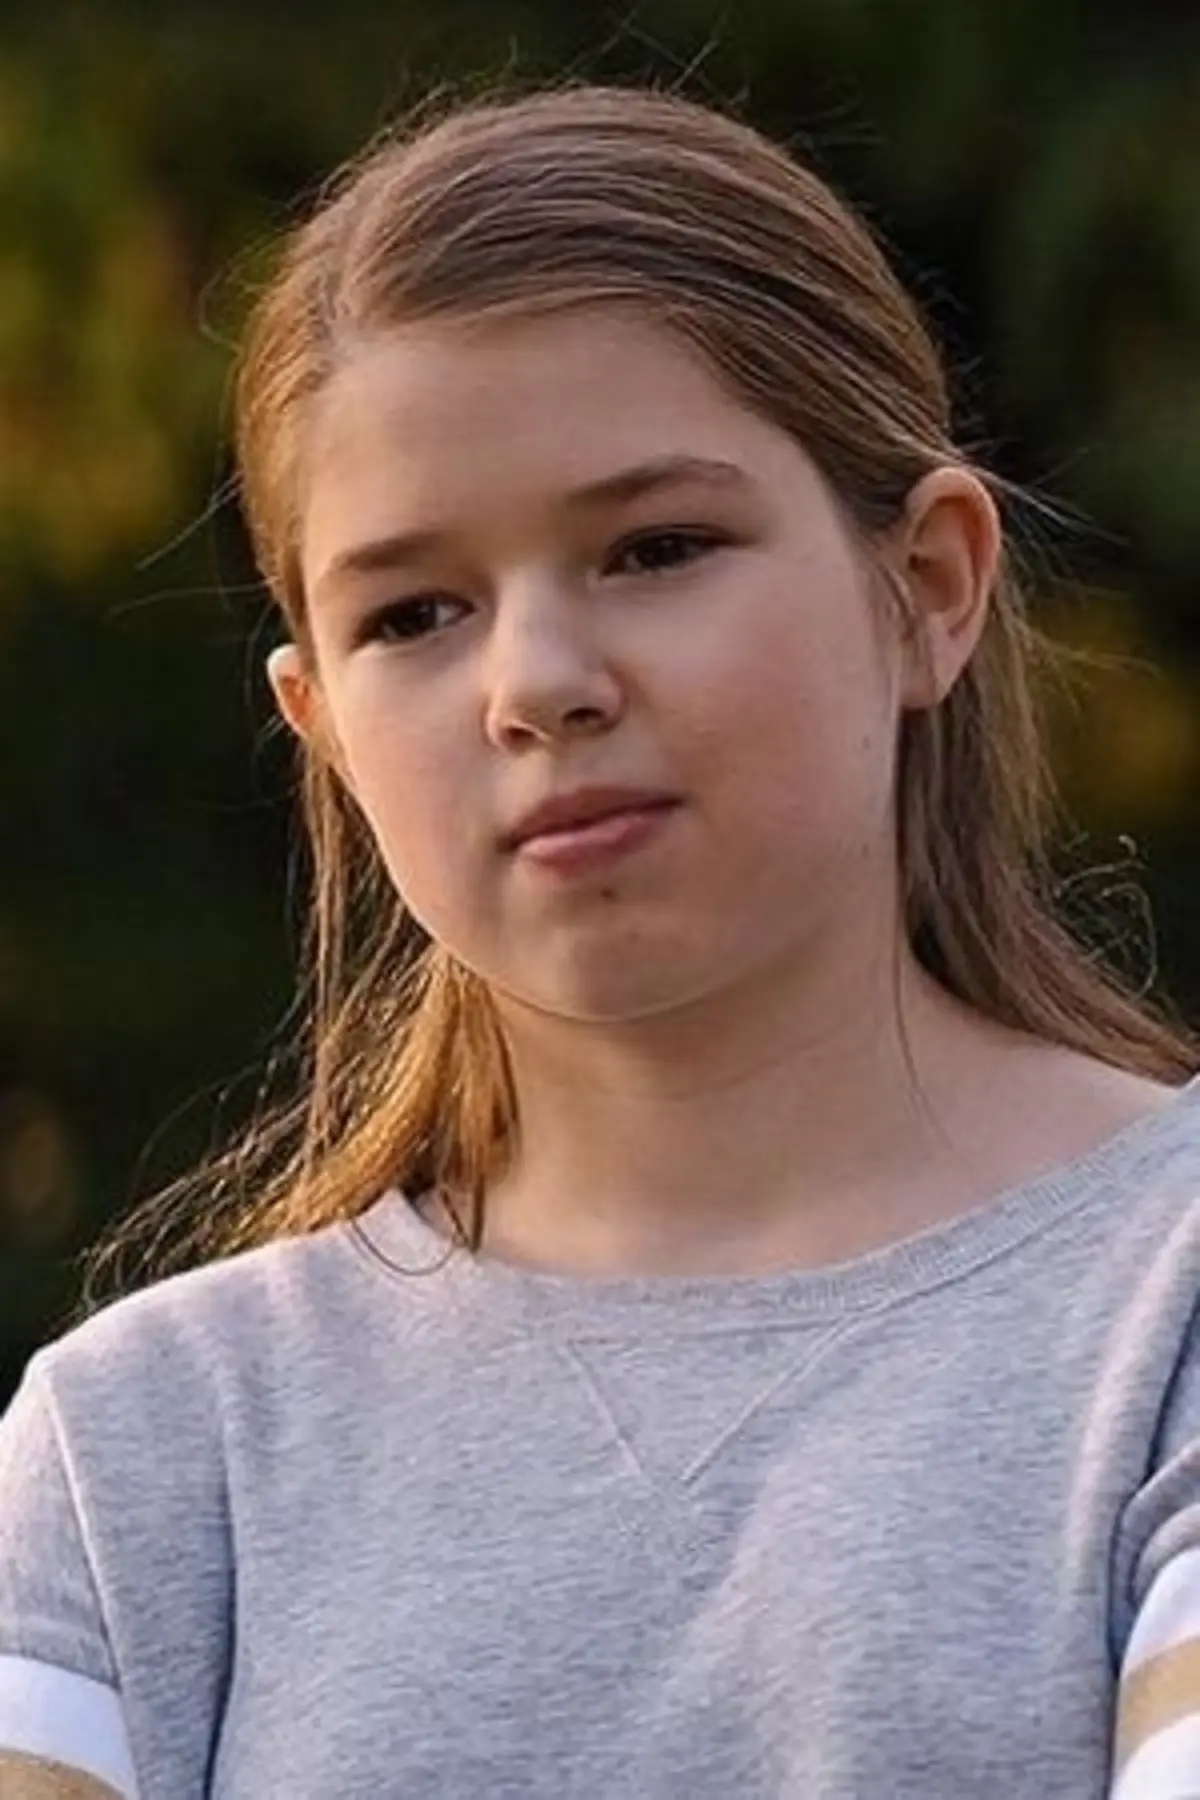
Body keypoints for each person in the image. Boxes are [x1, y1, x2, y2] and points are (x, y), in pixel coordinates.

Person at [0, 79, 1197, 1800]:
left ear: (928, 585)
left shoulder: (1165, 1296)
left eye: (657, 548)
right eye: (414, 613)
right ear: (321, 727)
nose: (538, 684)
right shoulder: (140, 1460)